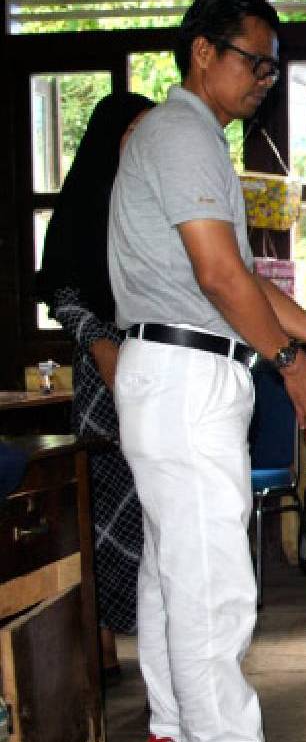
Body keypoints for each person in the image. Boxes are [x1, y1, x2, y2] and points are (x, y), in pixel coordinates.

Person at [109, 0, 306, 742]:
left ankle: (175, 732)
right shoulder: (182, 135)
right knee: (213, 582)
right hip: (186, 372)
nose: (267, 79)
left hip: (176, 371)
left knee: (175, 573)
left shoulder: (191, 139)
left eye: (275, 66)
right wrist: (291, 363)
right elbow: (219, 278)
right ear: (204, 53)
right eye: (256, 60)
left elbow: (238, 280)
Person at [33, 91, 154, 686]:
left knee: (152, 508)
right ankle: (101, 647)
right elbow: (63, 294)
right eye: (131, 130)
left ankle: (154, 638)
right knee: (101, 512)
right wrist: (103, 344)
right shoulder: (81, 208)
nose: (140, 142)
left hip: (157, 370)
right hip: (101, 378)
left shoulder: (151, 202)